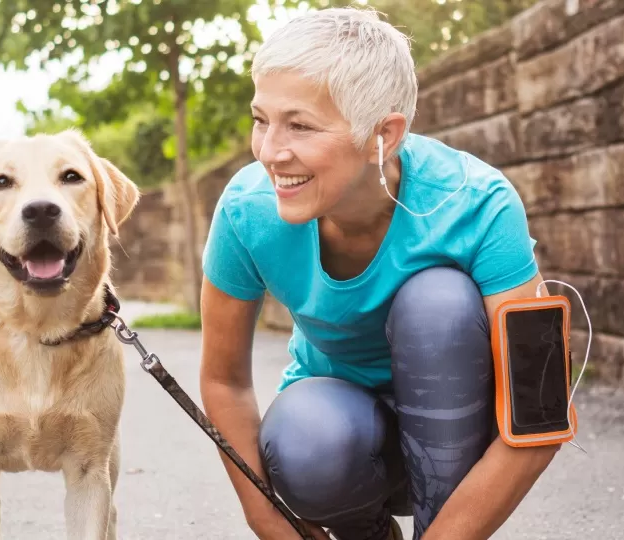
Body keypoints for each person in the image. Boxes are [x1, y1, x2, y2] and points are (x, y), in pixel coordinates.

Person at [198, 7, 561, 540]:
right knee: (305, 436)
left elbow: (540, 413)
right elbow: (223, 381)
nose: (270, 151)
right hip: (340, 449)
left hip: (468, 443)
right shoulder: (246, 210)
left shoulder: (478, 202)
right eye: (261, 119)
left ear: (383, 135)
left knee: (438, 302)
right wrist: (267, 519)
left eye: (299, 124)